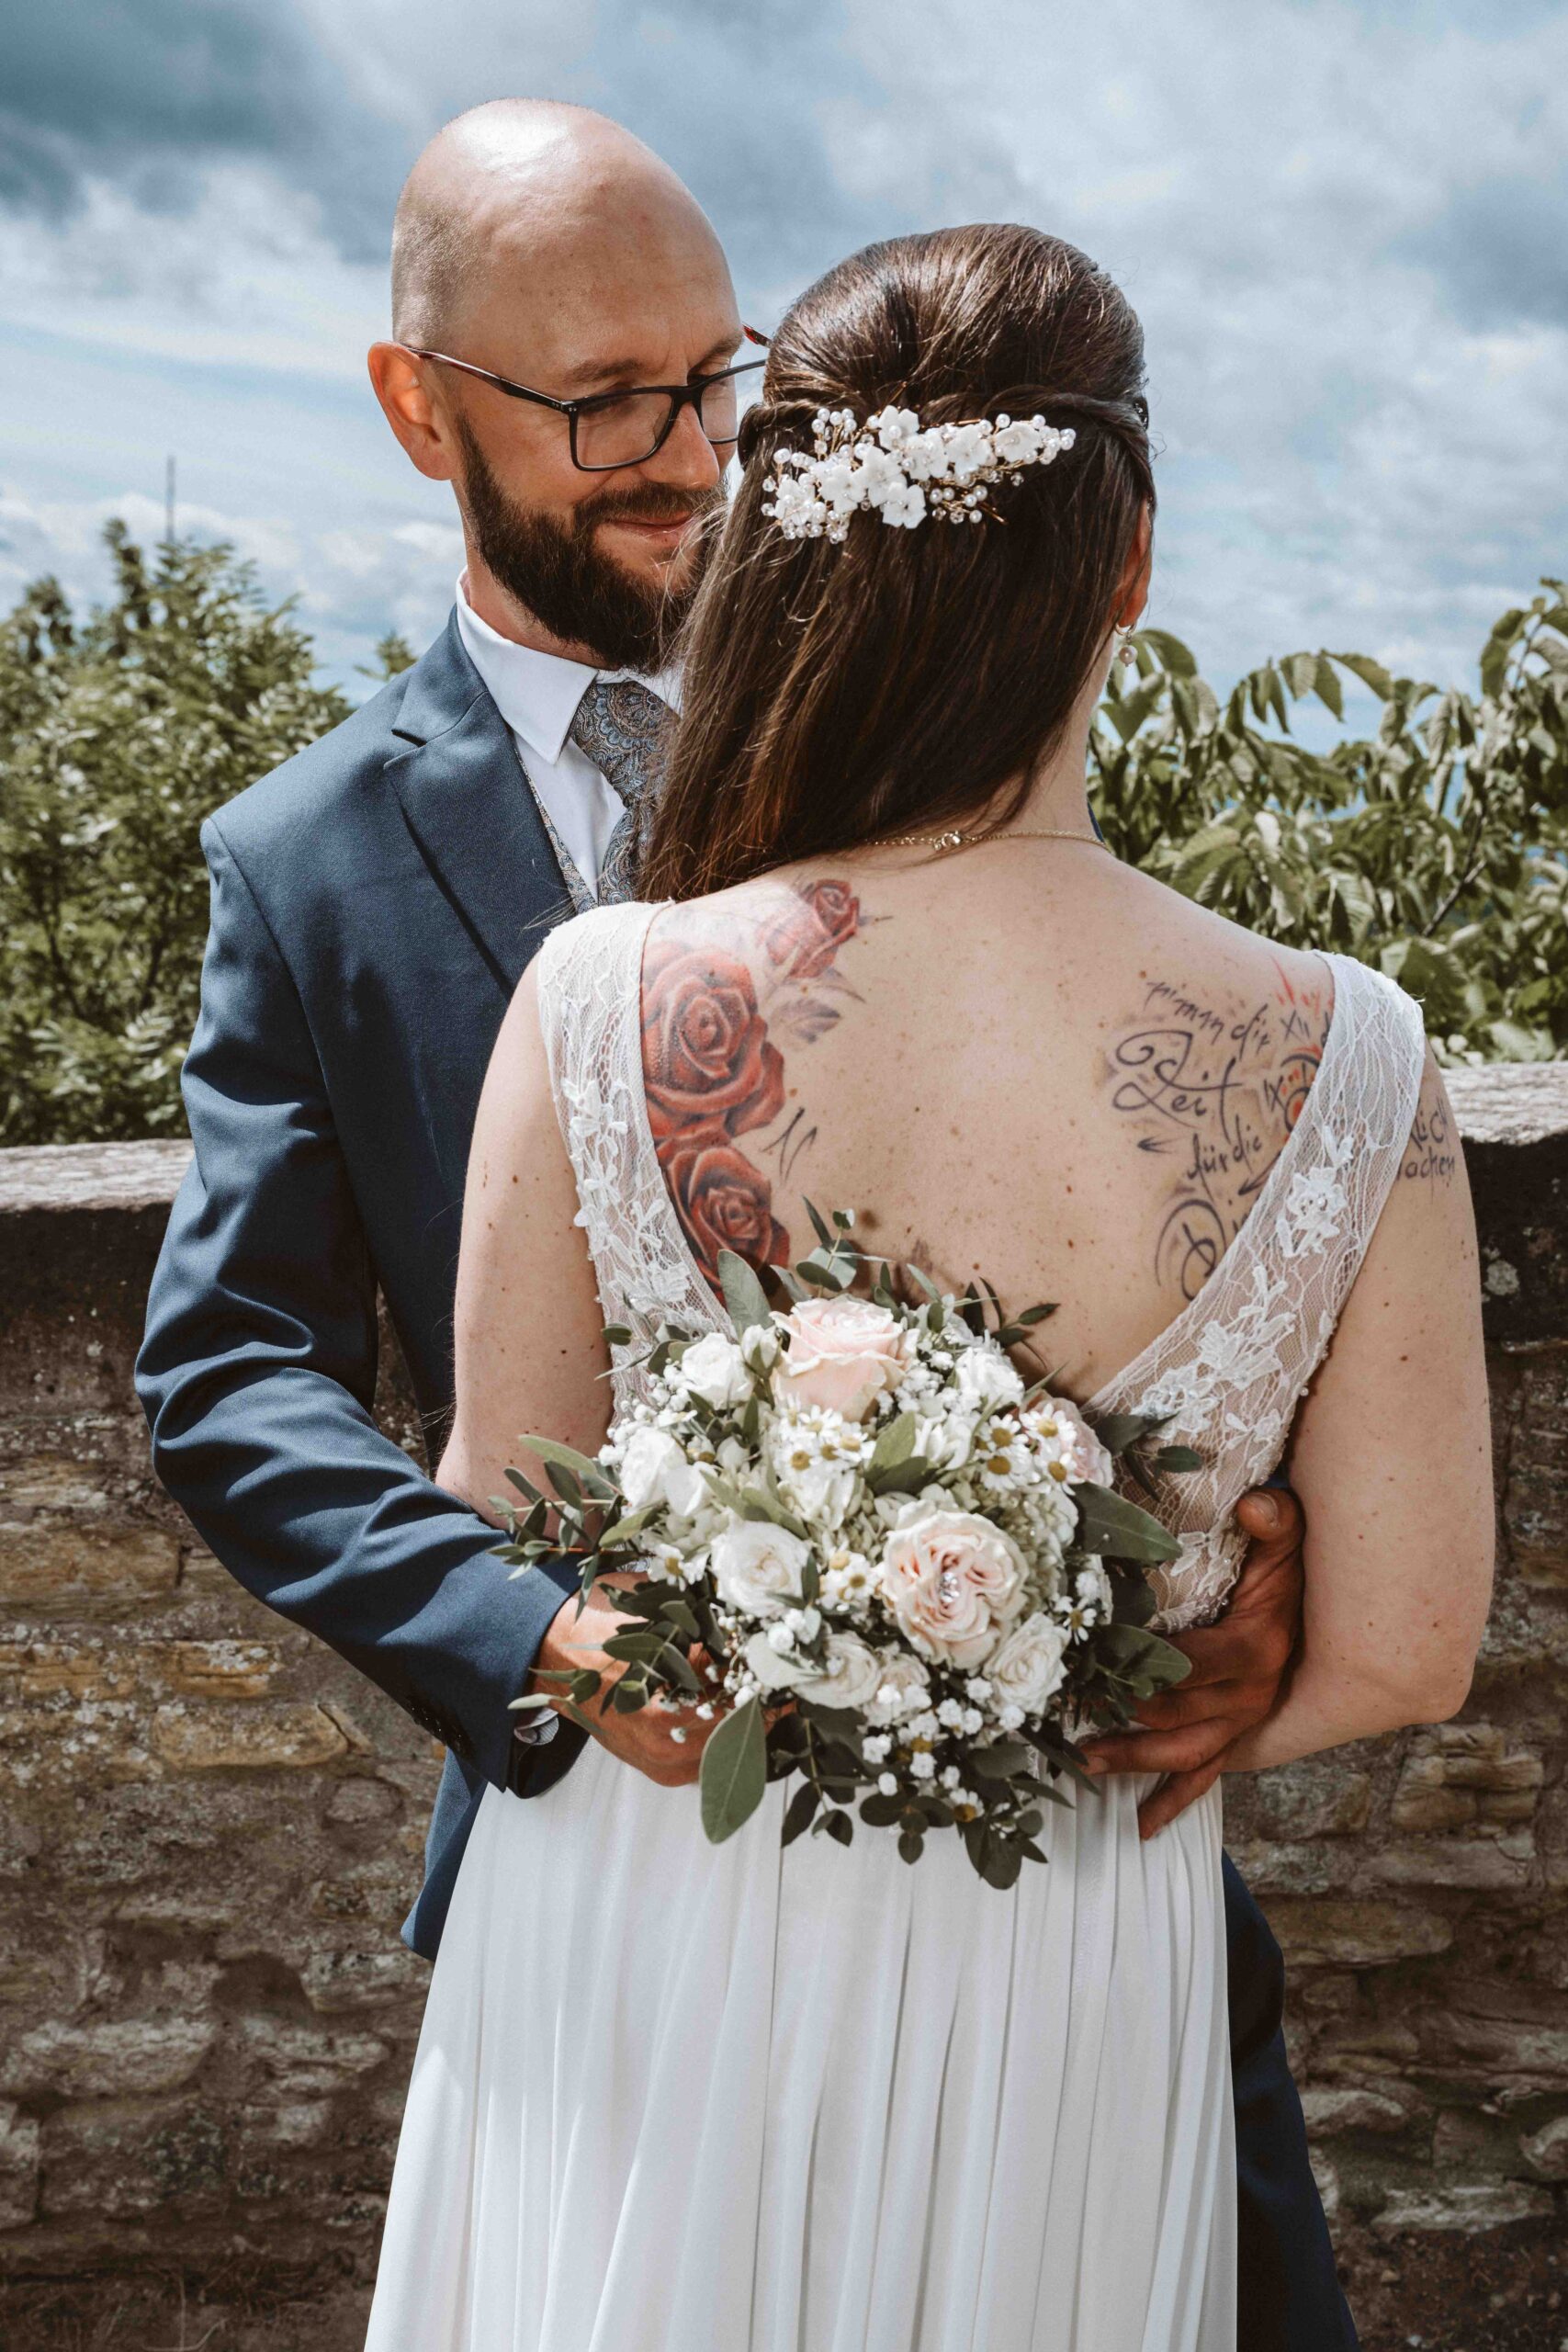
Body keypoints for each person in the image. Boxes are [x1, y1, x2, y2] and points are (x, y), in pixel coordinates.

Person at [127, 101, 1382, 2347]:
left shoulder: (977, 699)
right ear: (418, 407)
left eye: (713, 378)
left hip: (1091, 1928)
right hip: (625, 1895)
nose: (691, 455)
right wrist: (534, 1633)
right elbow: (228, 1370)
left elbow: (1177, 1190)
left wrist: (1226, 1559)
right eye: (604, 401)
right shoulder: (305, 860)